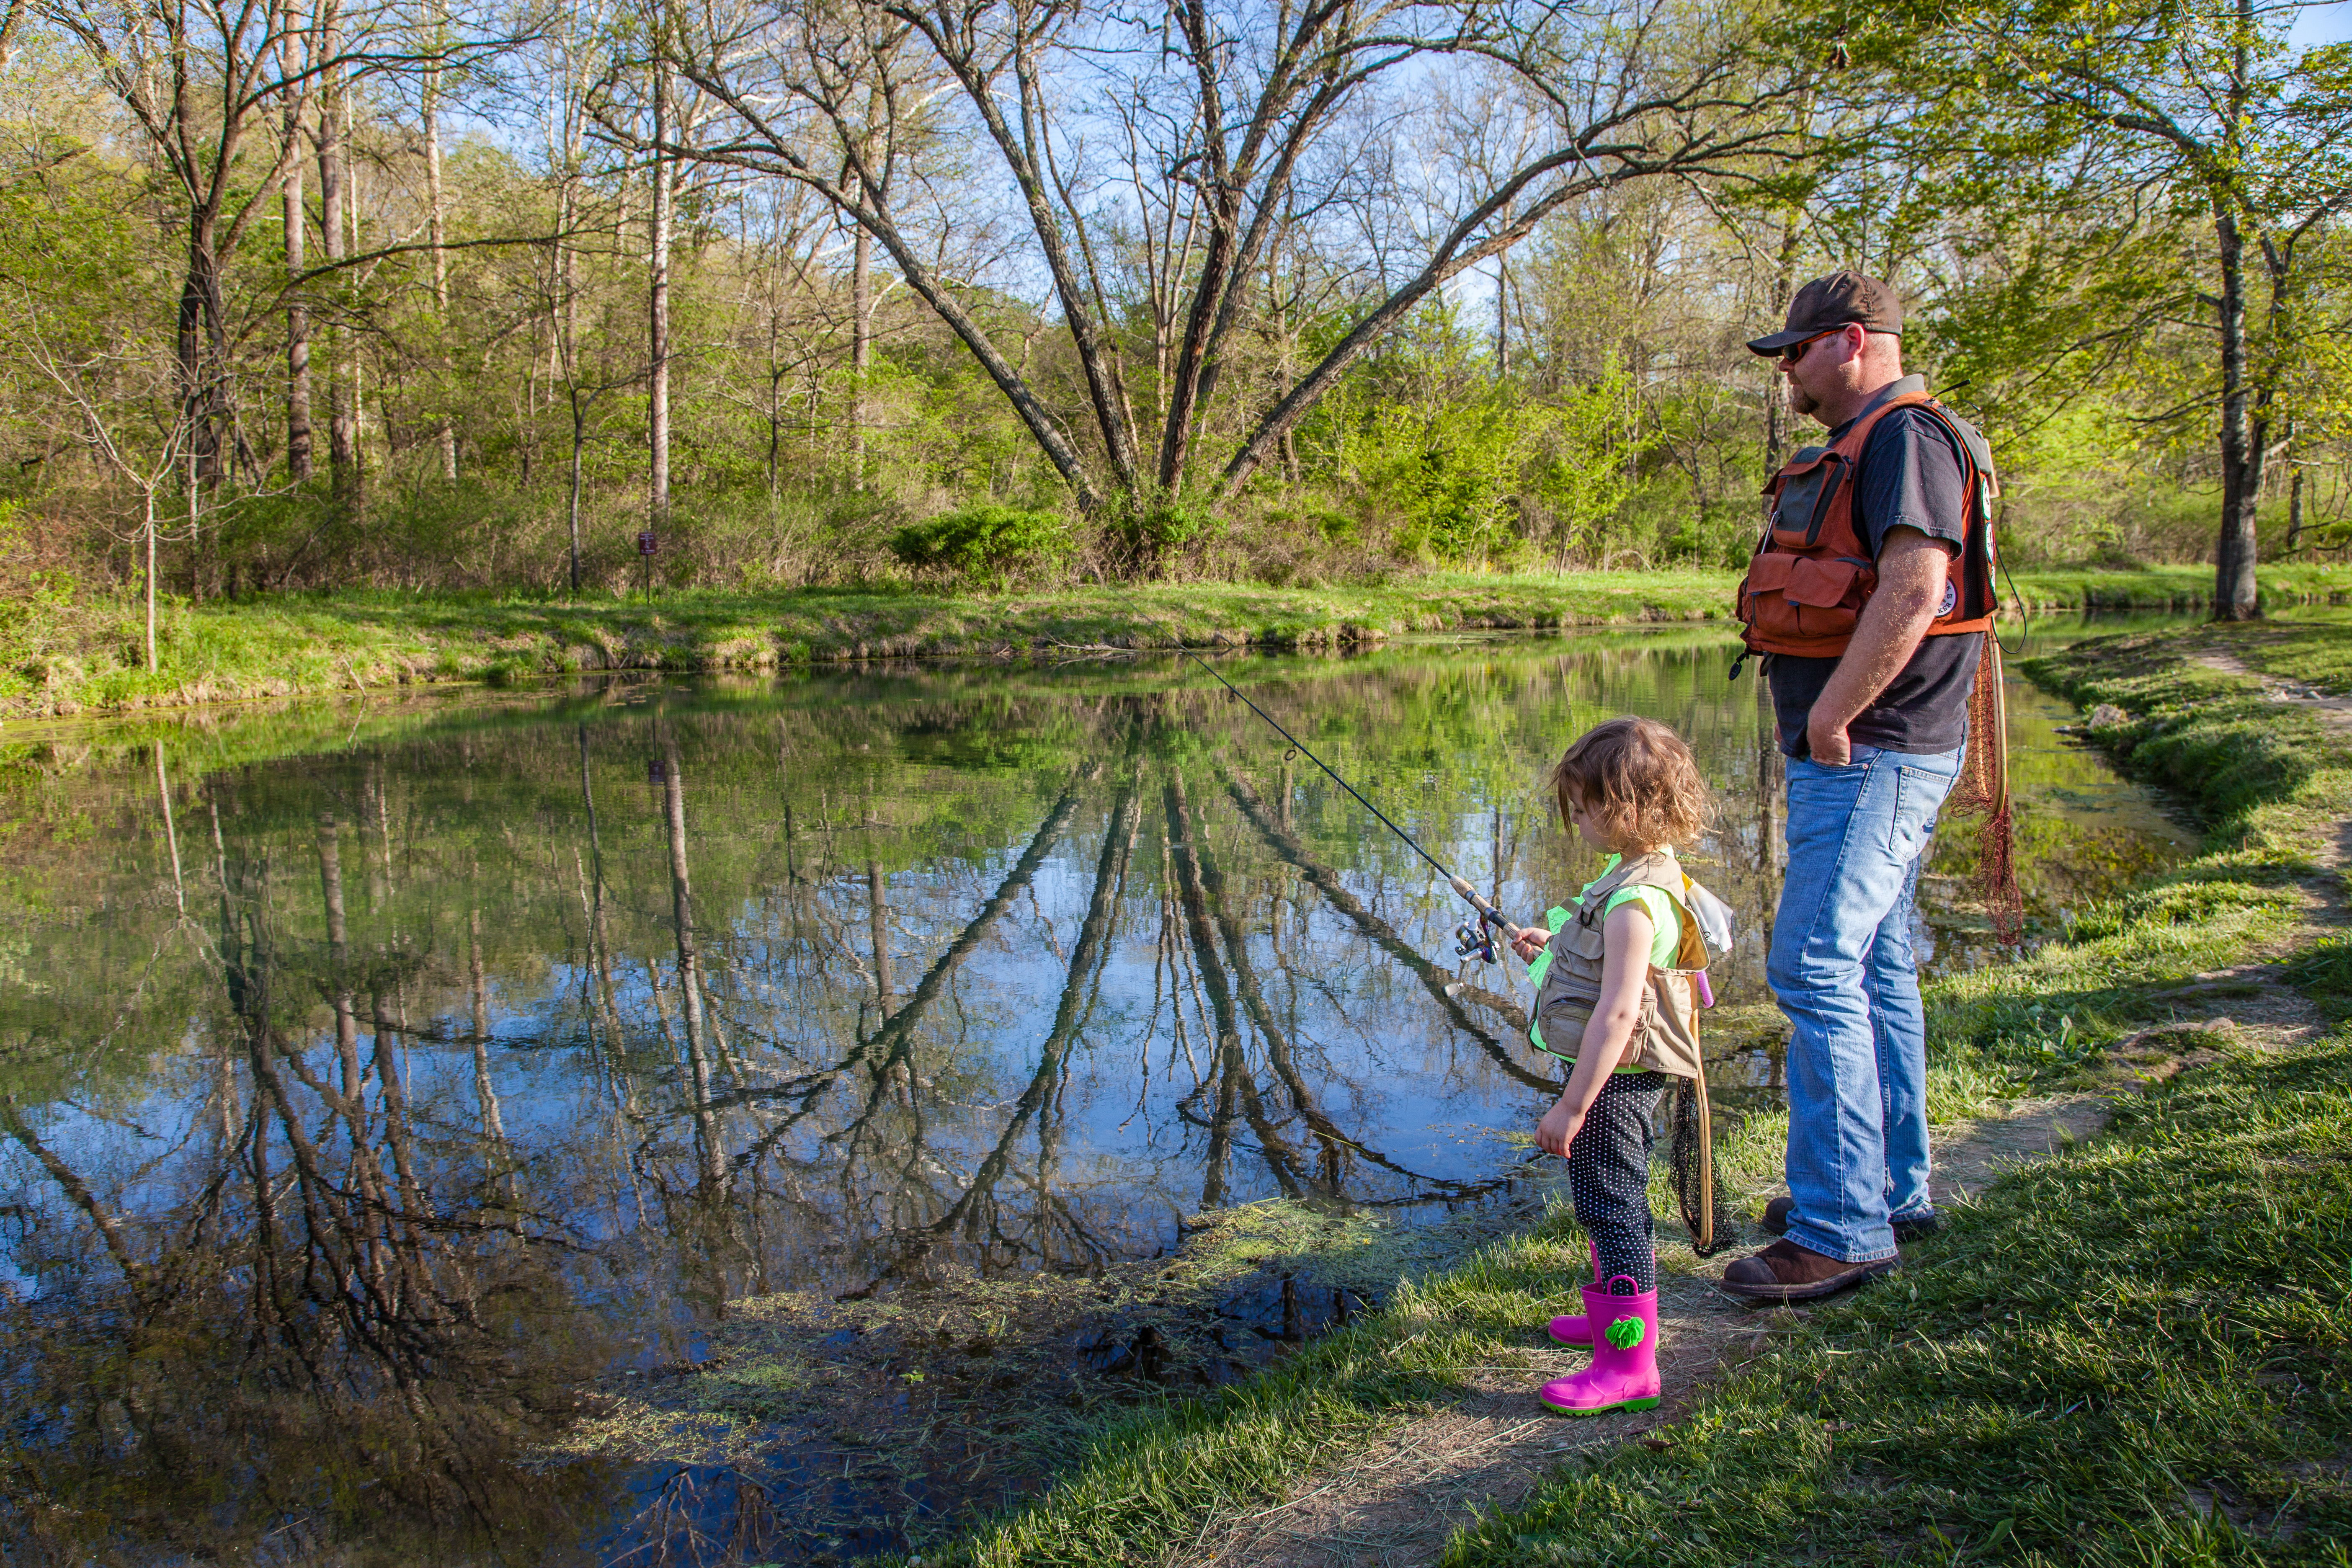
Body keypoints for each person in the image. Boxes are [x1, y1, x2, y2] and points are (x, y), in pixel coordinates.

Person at [1720, 271, 1999, 1303]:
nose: (1784, 371)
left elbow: (1918, 587)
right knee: (1875, 964)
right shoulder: (1877, 440)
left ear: (1848, 341)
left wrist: (1833, 715)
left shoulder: (1904, 441)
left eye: (1792, 351)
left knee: (1813, 967)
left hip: (1874, 749)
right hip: (1871, 750)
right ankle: (1888, 1189)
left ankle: (1842, 1229)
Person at [1509, 716, 1714, 1415]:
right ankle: (1610, 1323)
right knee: (1604, 1201)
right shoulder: (1637, 875)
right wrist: (1548, 947)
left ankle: (1629, 1363)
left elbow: (1620, 1013)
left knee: (1612, 1204)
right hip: (1613, 1076)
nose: (1578, 819)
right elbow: (1603, 972)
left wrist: (1572, 1105)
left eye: (1583, 806)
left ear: (1623, 808)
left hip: (1614, 1081)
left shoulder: (1633, 902)